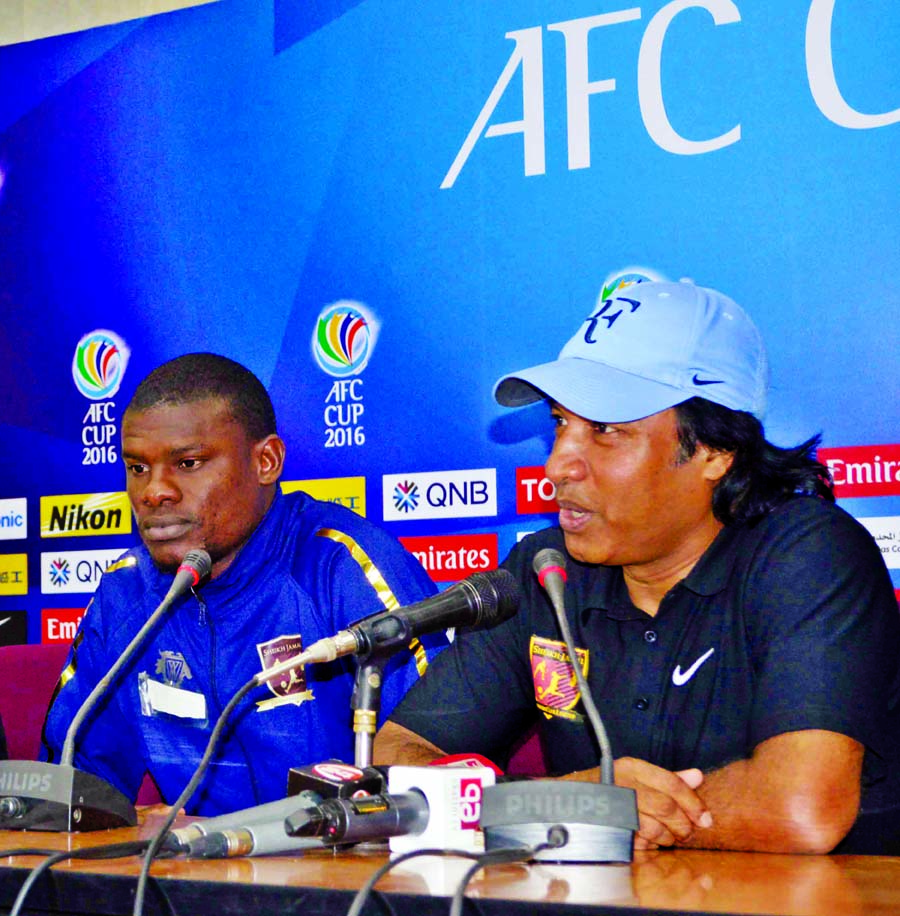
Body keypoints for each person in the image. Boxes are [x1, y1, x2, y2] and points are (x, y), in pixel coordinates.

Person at [375, 278, 900, 855]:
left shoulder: (807, 553)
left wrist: (602, 810)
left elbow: (801, 810)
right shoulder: (546, 568)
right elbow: (397, 756)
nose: (557, 466)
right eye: (559, 425)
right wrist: (566, 804)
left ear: (713, 451)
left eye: (606, 431)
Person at [42, 353, 440, 816]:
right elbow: (70, 790)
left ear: (266, 461)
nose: (154, 492)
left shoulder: (340, 569)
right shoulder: (126, 594)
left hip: (342, 877)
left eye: (188, 463)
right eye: (137, 468)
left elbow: (430, 769)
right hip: (187, 878)